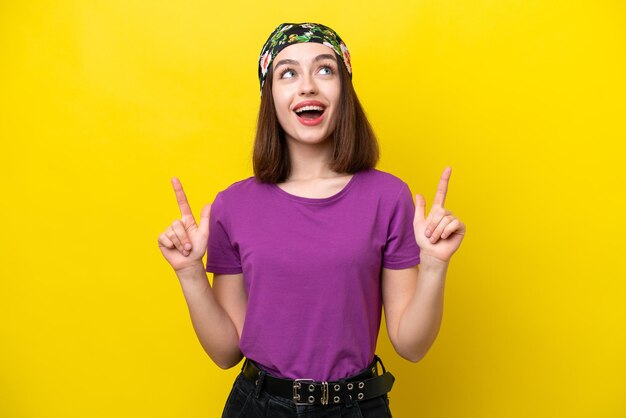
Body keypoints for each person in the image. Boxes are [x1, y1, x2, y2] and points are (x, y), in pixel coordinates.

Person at [157, 22, 465, 417]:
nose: (307, 87)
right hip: (259, 406)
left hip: (356, 406)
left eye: (325, 69)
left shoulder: (388, 197)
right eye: (288, 73)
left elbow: (412, 345)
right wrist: (188, 272)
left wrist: (436, 266)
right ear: (270, 96)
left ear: (345, 91)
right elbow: (225, 352)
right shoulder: (233, 206)